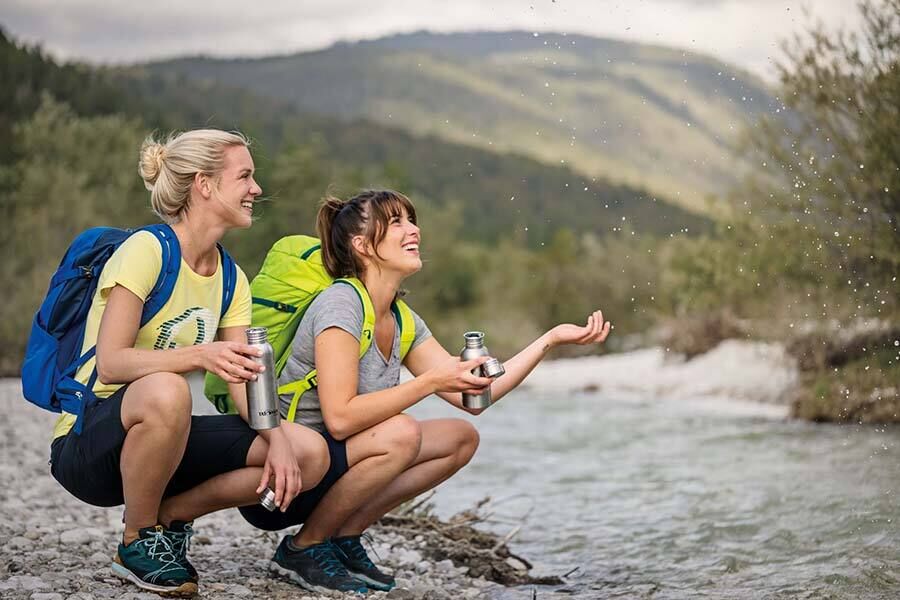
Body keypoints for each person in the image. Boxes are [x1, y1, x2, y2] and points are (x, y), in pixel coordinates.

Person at [236, 189, 611, 594]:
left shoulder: (401, 318)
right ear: (362, 246)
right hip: (285, 478)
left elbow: (476, 398)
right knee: (403, 432)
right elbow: (340, 419)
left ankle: (342, 537)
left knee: (459, 438)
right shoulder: (342, 303)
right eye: (395, 222)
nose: (412, 229)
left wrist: (550, 340)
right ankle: (303, 548)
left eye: (410, 220)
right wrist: (429, 382)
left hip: (336, 470)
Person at [48, 129, 329, 598]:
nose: (256, 189)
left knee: (310, 451)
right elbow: (113, 363)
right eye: (245, 177)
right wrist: (200, 354)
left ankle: (173, 515)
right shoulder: (146, 251)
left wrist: (277, 439)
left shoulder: (231, 278)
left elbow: (243, 380)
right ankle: (137, 541)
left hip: (162, 440)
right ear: (204, 184)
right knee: (169, 388)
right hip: (88, 446)